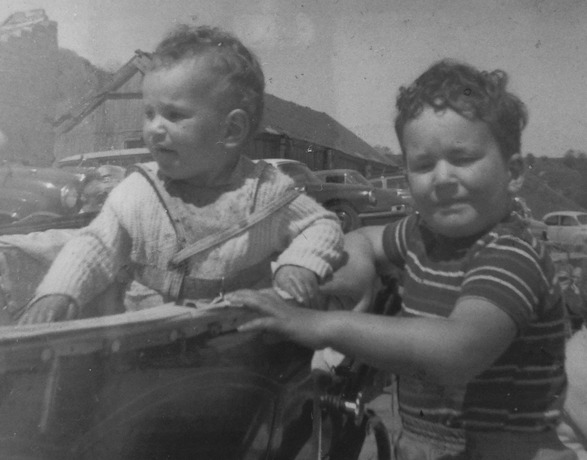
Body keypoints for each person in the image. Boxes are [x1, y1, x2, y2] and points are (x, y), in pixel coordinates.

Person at [228, 60, 576, 459]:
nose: (443, 178)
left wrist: (322, 326)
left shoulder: (510, 254)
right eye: (424, 165)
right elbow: (361, 239)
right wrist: (360, 268)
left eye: (462, 159)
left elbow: (459, 351)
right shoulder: (423, 234)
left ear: (513, 173)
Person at [18, 24, 343, 324]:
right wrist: (60, 292)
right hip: (148, 338)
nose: (154, 128)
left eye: (174, 115)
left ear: (231, 129)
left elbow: (320, 224)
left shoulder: (266, 191)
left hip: (237, 339)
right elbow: (95, 246)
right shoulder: (139, 191)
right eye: (149, 113)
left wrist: (299, 263)